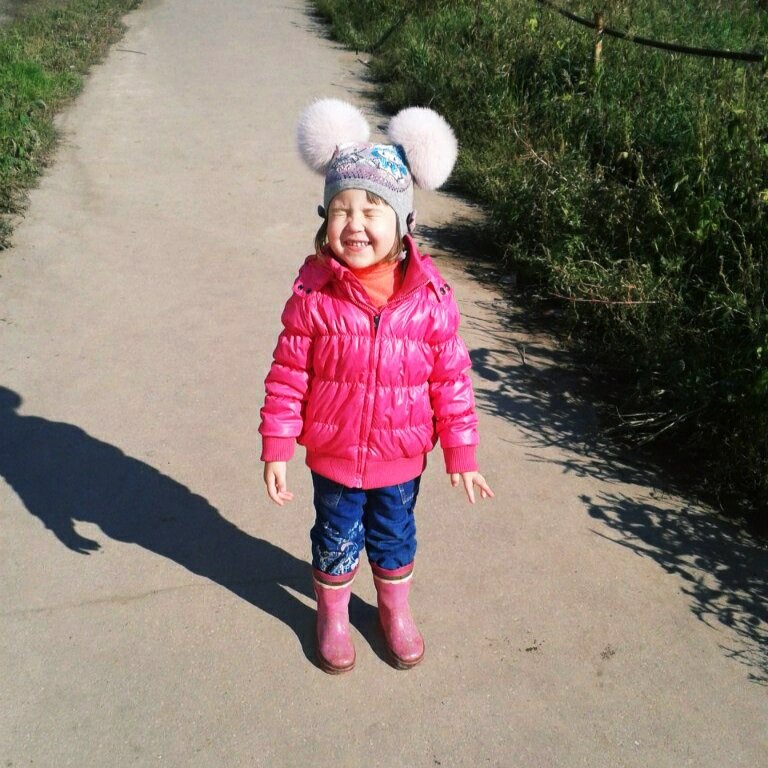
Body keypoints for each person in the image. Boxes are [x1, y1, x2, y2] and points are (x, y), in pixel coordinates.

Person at [259, 99, 493, 674]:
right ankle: (333, 617)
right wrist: (277, 444)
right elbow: (288, 374)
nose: (355, 224)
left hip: (401, 459)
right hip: (334, 456)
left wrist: (461, 451)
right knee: (335, 539)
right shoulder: (315, 296)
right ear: (324, 220)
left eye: (372, 210)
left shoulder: (429, 300)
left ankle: (394, 610)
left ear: (404, 222)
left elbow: (451, 380)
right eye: (341, 210)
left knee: (394, 538)